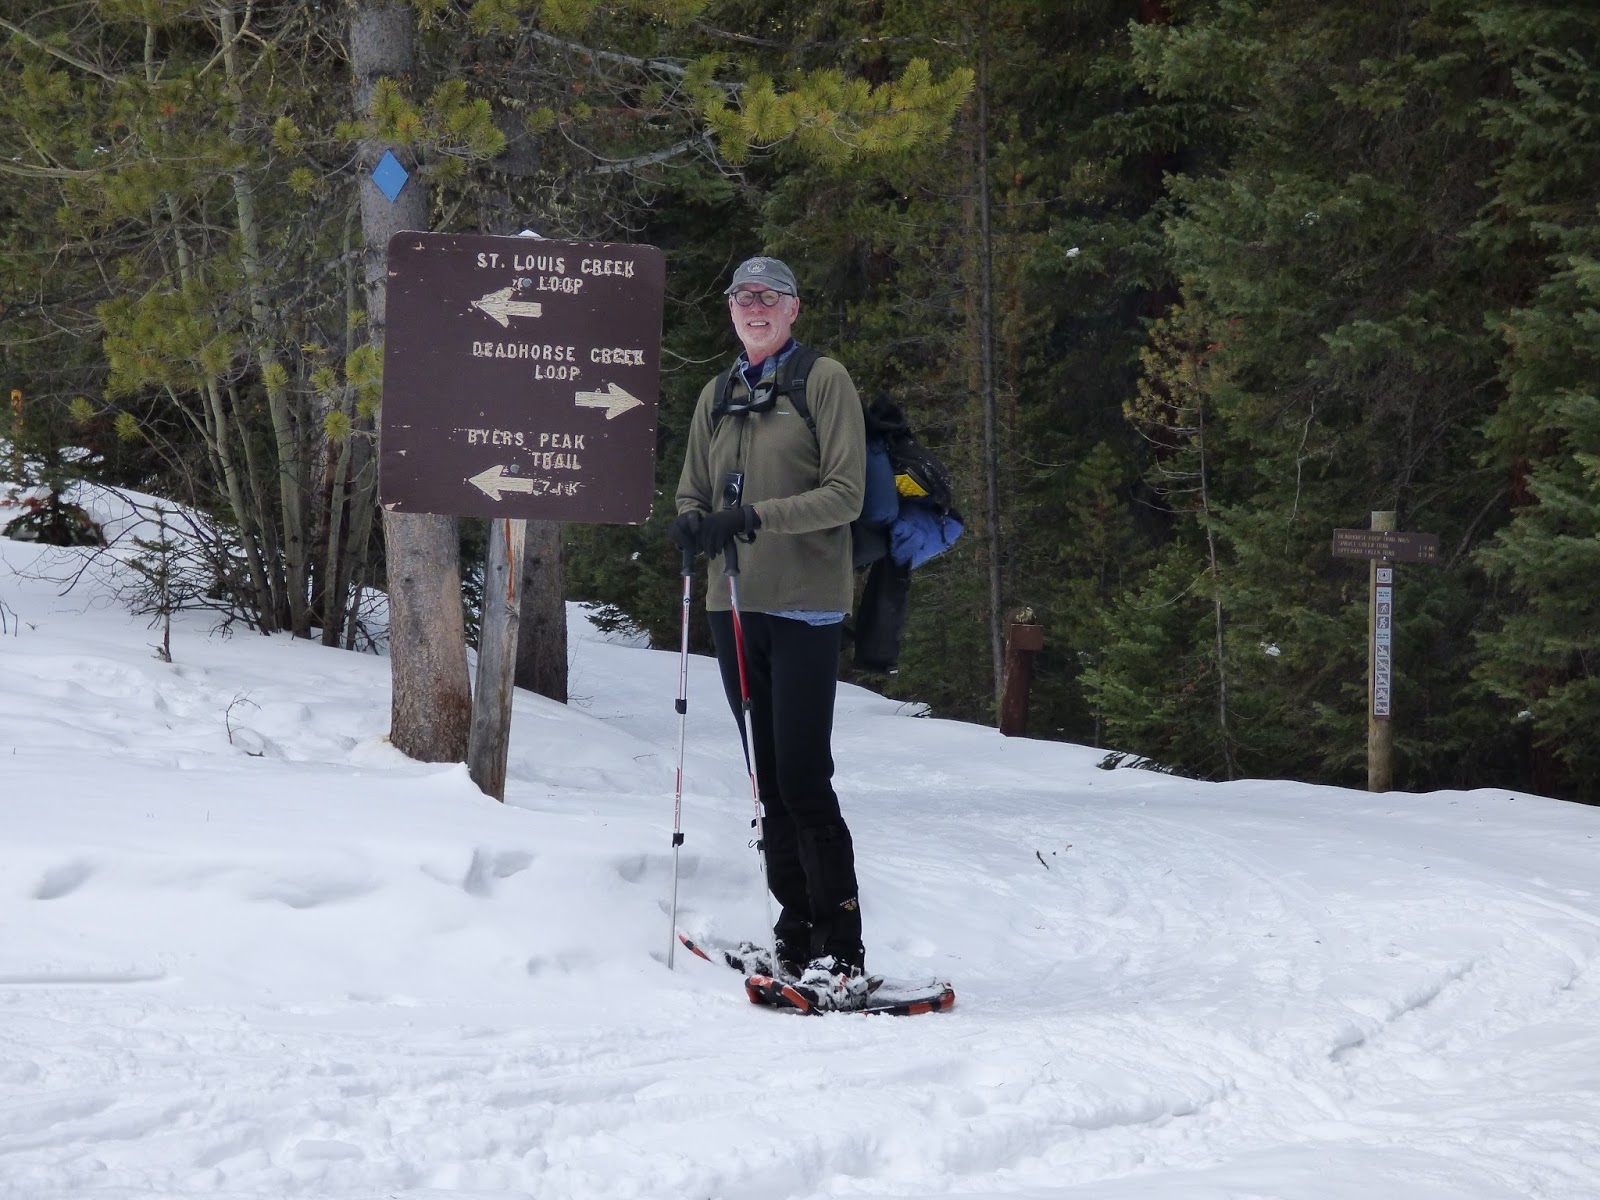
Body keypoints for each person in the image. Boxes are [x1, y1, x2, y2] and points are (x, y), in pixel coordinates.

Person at [671, 255, 870, 1009]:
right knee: (767, 779)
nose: (753, 307)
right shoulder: (717, 393)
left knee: (803, 776)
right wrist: (693, 522)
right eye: (741, 297)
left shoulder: (824, 381)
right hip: (733, 606)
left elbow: (845, 495)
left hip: (806, 604)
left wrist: (753, 517)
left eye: (769, 297)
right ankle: (794, 932)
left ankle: (841, 947)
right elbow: (693, 484)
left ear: (793, 309)